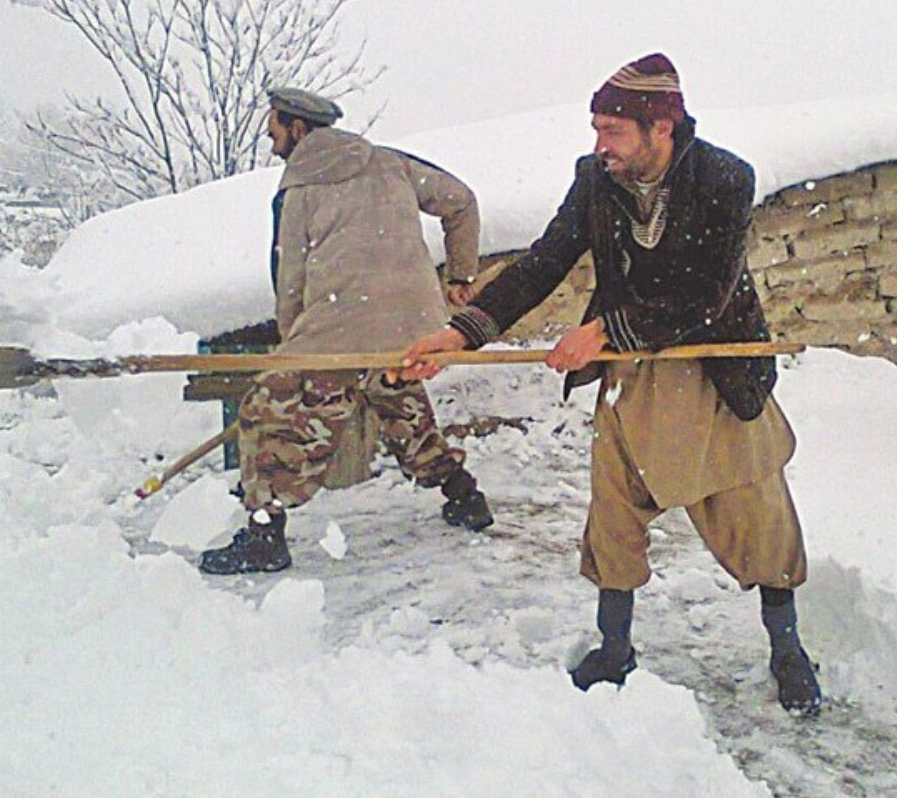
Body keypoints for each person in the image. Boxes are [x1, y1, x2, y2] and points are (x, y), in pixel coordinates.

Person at [399, 54, 821, 714]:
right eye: (596, 128)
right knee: (615, 514)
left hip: (712, 368)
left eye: (613, 130)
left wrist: (600, 334)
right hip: (631, 377)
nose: (600, 145)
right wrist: (462, 333)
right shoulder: (595, 180)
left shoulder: (724, 178)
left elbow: (705, 294)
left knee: (758, 517)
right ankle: (615, 646)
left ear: (662, 127)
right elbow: (543, 263)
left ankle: (788, 649)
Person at [200, 87, 493, 576]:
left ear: (298, 128)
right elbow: (461, 201)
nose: (271, 144)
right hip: (412, 328)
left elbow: (289, 275)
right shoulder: (390, 162)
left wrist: (297, 353)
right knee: (397, 397)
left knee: (263, 414)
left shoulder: (296, 189)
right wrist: (460, 275)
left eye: (274, 130)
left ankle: (264, 534)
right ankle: (464, 496)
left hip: (338, 328)